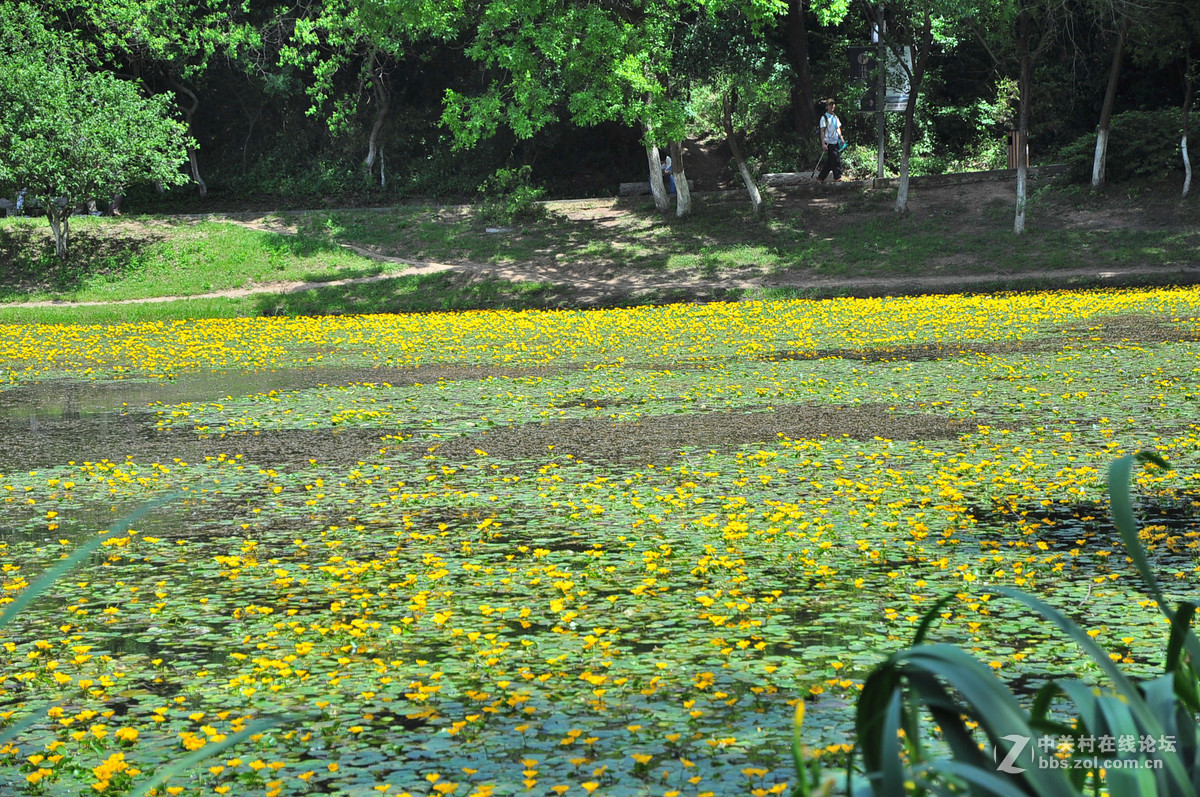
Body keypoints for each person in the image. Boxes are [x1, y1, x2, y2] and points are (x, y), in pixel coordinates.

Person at [817, 99, 845, 183]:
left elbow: (838, 128)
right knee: (836, 159)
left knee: (830, 161)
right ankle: (837, 177)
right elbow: (822, 131)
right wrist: (823, 143)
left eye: (833, 104)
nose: (832, 106)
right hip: (829, 142)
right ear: (826, 107)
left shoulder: (835, 117)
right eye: (830, 105)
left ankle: (820, 178)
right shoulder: (824, 118)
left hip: (835, 141)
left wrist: (841, 138)